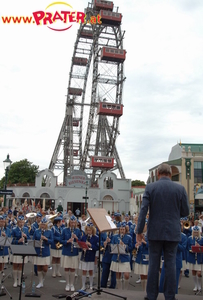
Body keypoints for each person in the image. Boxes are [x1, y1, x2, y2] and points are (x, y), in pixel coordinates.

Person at [136, 163, 189, 300]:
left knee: (154, 263)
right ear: (170, 174)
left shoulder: (150, 187)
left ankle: (152, 296)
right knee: (170, 263)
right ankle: (170, 296)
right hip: (173, 231)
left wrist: (139, 230)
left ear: (158, 174)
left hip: (155, 232)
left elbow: (143, 210)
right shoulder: (180, 188)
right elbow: (185, 212)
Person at [61, 215, 82, 292]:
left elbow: (80, 241)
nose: (73, 224)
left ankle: (72, 284)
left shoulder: (78, 231)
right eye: (71, 222)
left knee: (73, 268)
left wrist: (76, 238)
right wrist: (67, 241)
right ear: (69, 223)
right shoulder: (65, 230)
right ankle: (67, 283)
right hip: (66, 251)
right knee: (66, 268)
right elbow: (61, 240)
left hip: (74, 252)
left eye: (74, 222)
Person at [110, 222, 133, 290]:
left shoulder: (129, 237)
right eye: (121, 229)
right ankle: (119, 289)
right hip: (116, 257)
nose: (122, 231)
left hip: (125, 257)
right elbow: (112, 246)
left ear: (125, 230)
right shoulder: (115, 237)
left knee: (126, 275)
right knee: (118, 273)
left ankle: (125, 289)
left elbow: (131, 248)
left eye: (123, 229)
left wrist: (124, 246)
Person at [32, 218, 53, 289]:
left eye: (44, 224)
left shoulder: (49, 231)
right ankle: (40, 282)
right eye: (42, 224)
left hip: (45, 251)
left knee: (45, 268)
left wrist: (46, 239)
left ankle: (43, 279)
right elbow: (33, 240)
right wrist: (38, 241)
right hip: (38, 250)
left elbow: (51, 241)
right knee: (38, 267)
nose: (42, 226)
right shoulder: (37, 231)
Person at [11, 215, 30, 287]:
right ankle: (15, 281)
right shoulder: (14, 229)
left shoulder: (25, 229)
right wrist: (18, 241)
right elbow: (12, 240)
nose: (21, 224)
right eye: (20, 222)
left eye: (22, 222)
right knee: (16, 264)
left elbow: (28, 239)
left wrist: (25, 237)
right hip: (16, 248)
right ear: (18, 223)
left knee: (21, 265)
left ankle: (19, 280)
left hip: (23, 248)